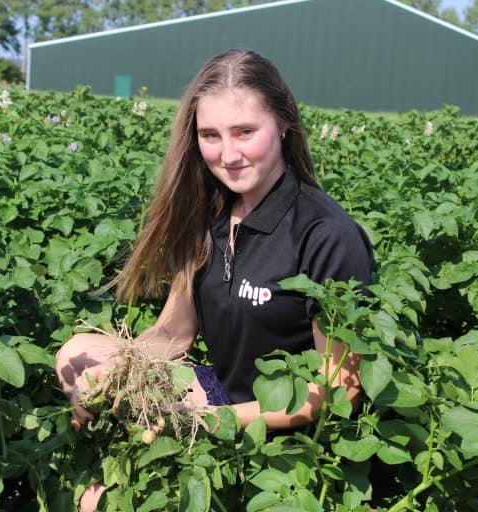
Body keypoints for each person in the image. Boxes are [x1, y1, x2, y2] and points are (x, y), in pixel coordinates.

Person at [54, 48, 373, 511]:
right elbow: (174, 333)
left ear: (284, 123)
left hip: (281, 434)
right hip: (216, 398)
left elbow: (338, 389)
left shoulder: (326, 235)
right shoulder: (211, 215)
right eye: (210, 135)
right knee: (78, 356)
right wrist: (119, 377)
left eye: (245, 132)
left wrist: (208, 419)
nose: (227, 154)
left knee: (99, 504)